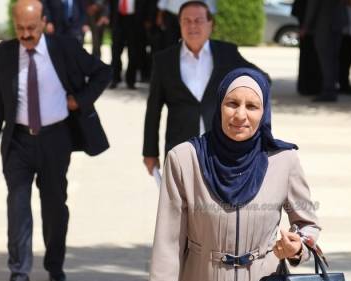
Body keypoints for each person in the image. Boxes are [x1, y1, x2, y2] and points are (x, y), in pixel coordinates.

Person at [145, 67, 321, 281]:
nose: (240, 115)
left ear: (264, 111)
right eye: (232, 104)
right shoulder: (184, 160)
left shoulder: (283, 160)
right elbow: (167, 248)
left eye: (252, 106)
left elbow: (308, 224)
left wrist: (297, 247)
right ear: (218, 106)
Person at [0, 0, 111, 281]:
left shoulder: (64, 48)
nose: (26, 34)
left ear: (43, 22)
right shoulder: (0, 55)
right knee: (17, 208)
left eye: (31, 28)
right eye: (20, 29)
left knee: (54, 207)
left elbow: (103, 72)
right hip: (18, 142)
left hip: (55, 140)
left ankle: (55, 263)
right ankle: (19, 276)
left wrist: (80, 100)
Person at [142, 0, 264, 175]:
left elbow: (261, 79)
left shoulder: (227, 53)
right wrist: (150, 152)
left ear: (210, 24)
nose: (192, 26)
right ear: (180, 24)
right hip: (180, 148)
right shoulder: (164, 60)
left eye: (198, 20)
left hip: (222, 148)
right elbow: (153, 110)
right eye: (187, 21)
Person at [303, 0, 348, 102]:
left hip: (325, 24)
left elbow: (313, 5)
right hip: (337, 23)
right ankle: (331, 89)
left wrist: (306, 25)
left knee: (327, 60)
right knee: (333, 60)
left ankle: (329, 91)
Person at [109, 0, 150, 89]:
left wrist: (146, 19)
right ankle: (114, 78)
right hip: (118, 20)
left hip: (134, 20)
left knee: (133, 52)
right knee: (115, 51)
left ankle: (131, 80)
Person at [292, 0, 322, 96]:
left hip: (310, 26)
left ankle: (307, 87)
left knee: (309, 58)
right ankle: (310, 87)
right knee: (311, 58)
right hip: (312, 27)